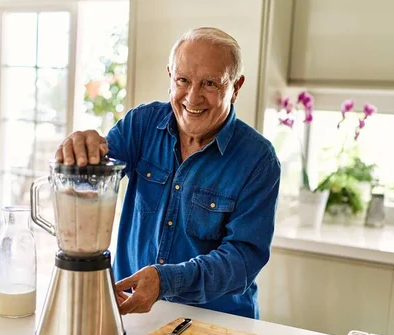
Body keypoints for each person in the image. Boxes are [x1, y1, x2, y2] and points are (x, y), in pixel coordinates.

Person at [55, 27, 281, 319]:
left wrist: (166, 281)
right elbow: (93, 178)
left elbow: (242, 258)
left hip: (218, 321)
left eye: (210, 83)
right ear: (170, 77)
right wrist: (80, 149)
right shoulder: (142, 124)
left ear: (236, 88)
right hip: (132, 311)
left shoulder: (259, 160)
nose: (193, 97)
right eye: (183, 80)